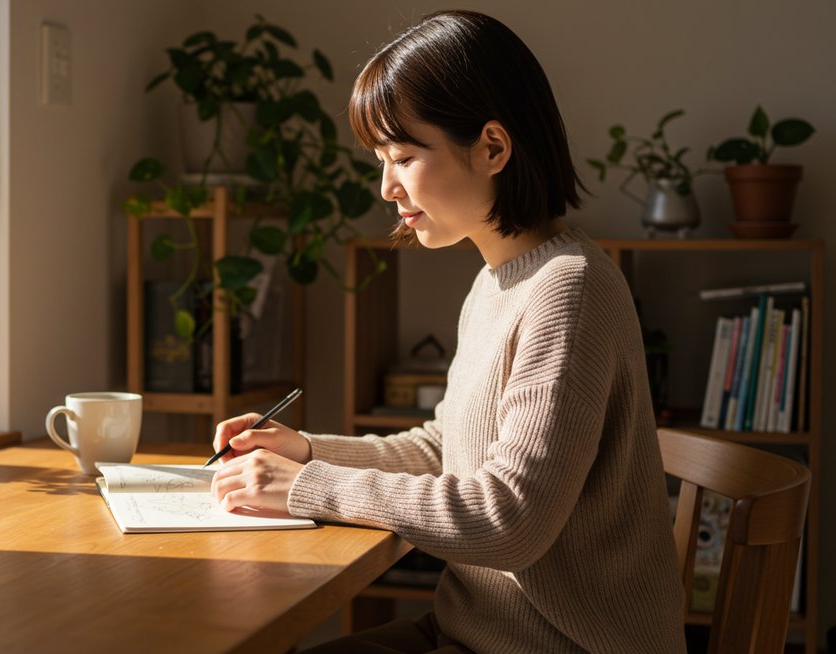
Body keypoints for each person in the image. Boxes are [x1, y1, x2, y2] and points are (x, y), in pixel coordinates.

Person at [209, 10, 686, 653]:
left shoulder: (569, 289)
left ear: (492, 148)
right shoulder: (497, 282)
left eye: (404, 157)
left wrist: (309, 488)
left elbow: (508, 520)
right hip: (472, 632)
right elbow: (446, 451)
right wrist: (308, 452)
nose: (387, 187)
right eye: (382, 160)